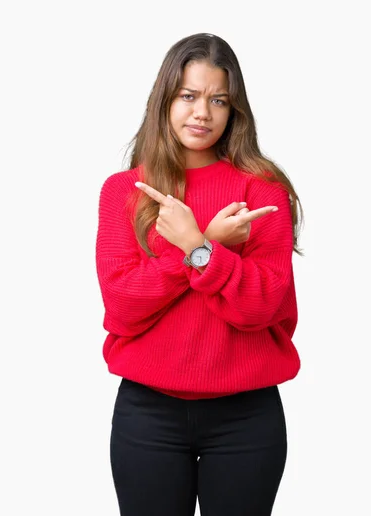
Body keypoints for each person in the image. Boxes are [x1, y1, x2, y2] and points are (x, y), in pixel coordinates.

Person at [95, 32, 305, 516]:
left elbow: (261, 307)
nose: (202, 113)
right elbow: (123, 306)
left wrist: (198, 246)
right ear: (165, 99)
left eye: (218, 100)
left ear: (235, 110)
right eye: (188, 96)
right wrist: (198, 251)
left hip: (246, 417)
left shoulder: (262, 191)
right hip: (147, 414)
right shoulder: (124, 191)